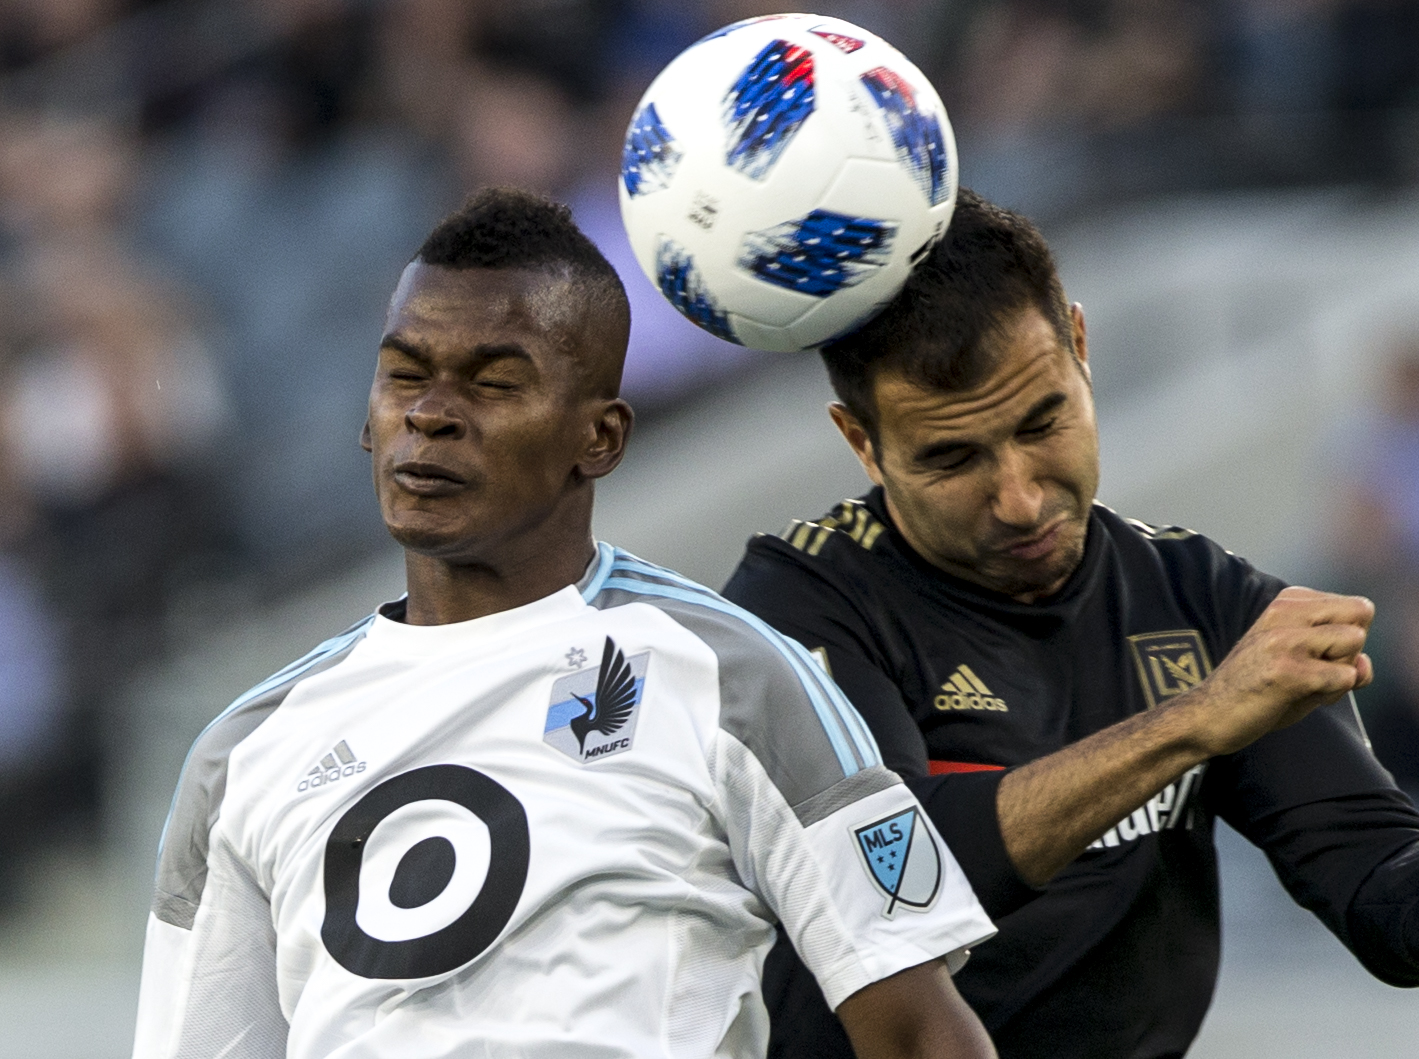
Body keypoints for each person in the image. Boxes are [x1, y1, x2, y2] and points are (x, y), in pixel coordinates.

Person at [130, 188, 1002, 1059]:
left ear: (601, 438)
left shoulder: (734, 678)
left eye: (496, 383)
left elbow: (923, 1033)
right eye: (404, 374)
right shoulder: (244, 753)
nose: (429, 414)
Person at [721, 188, 1419, 1059]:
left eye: (1043, 421)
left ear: (1082, 349)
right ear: (861, 441)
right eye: (953, 457)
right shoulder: (794, 606)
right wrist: (1193, 721)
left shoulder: (1200, 598)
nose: (1018, 498)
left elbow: (1380, 895)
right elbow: (897, 882)